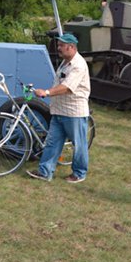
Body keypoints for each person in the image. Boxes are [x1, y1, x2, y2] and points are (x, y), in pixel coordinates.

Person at [27, 33, 91, 183]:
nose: (58, 48)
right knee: (52, 142)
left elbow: (68, 87)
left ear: (72, 47)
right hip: (59, 110)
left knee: (79, 144)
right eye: (59, 45)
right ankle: (45, 172)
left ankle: (79, 173)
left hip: (73, 112)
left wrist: (47, 92)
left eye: (62, 45)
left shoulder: (78, 65)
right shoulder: (65, 62)